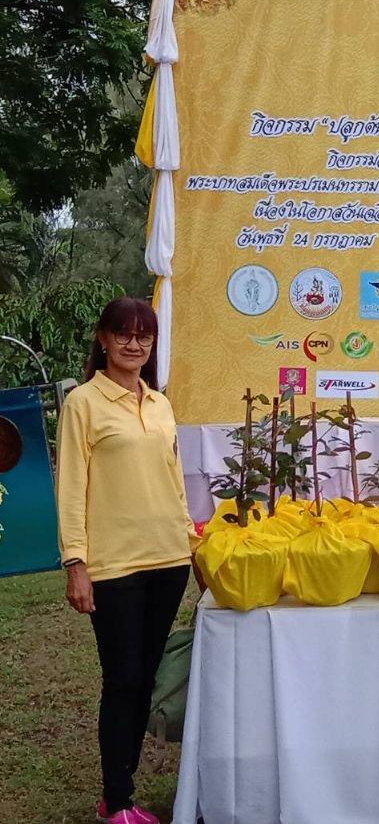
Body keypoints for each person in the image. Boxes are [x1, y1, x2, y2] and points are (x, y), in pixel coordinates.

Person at [57, 297, 200, 824]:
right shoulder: (83, 403)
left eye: (144, 336)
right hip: (114, 567)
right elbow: (70, 487)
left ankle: (120, 790)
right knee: (122, 679)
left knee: (144, 679)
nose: (134, 344)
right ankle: (117, 802)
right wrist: (76, 562)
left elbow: (175, 483)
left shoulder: (160, 404)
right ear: (103, 339)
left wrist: (192, 545)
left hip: (168, 560)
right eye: (123, 334)